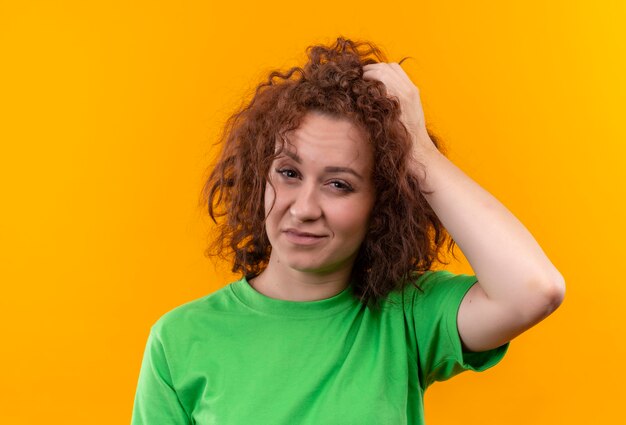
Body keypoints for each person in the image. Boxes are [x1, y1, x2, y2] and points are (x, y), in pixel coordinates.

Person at [131, 37, 565, 425]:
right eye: (288, 172)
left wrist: (418, 149)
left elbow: (534, 289)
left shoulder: (406, 317)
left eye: (339, 184)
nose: (303, 209)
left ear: (382, 207)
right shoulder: (179, 339)